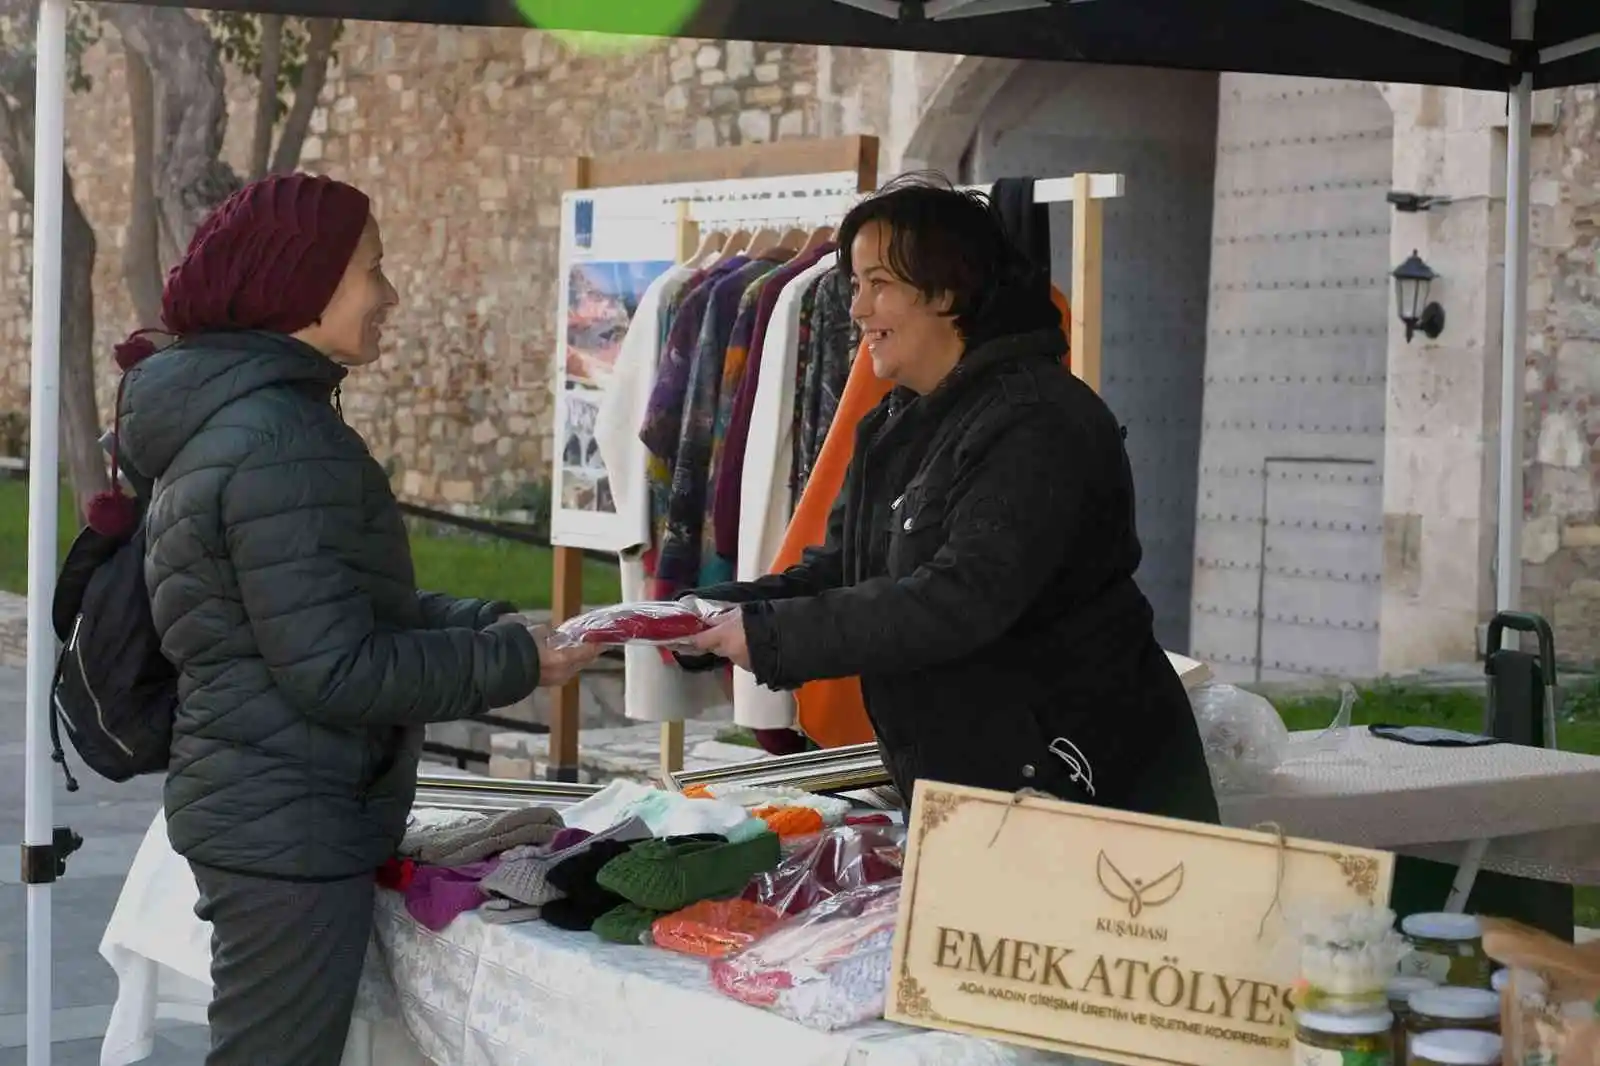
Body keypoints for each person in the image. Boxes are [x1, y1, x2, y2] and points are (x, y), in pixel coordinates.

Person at [111, 173, 602, 1066]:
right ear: (304, 284)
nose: (391, 296)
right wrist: (507, 662)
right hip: (286, 822)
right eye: (372, 269)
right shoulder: (279, 441)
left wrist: (489, 623)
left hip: (270, 806)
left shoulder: (252, 424)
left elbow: (323, 609)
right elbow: (336, 669)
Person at [684, 176, 1220, 825]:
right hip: (974, 786)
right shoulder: (894, 422)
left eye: (878, 284)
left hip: (1082, 792)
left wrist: (770, 636)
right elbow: (838, 570)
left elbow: (960, 598)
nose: (857, 310)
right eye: (856, 285)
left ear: (946, 293)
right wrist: (698, 617)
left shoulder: (1039, 421)